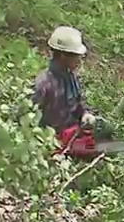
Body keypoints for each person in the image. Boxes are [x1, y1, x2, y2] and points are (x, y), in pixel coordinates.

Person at [31, 26, 106, 159]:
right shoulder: (43, 84)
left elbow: (77, 104)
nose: (79, 61)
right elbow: (31, 123)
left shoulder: (71, 78)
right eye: (76, 57)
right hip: (54, 141)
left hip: (74, 132)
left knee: (104, 131)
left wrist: (85, 114)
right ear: (63, 56)